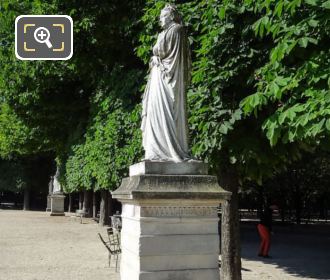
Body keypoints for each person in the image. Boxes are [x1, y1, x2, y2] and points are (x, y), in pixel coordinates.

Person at [141, 4, 192, 162]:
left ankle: (167, 151)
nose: (159, 19)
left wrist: (156, 55)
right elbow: (158, 53)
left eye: (162, 16)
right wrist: (155, 58)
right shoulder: (165, 32)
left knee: (165, 111)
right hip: (159, 75)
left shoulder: (176, 30)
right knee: (154, 111)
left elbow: (163, 51)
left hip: (167, 77)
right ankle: (155, 151)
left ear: (170, 17)